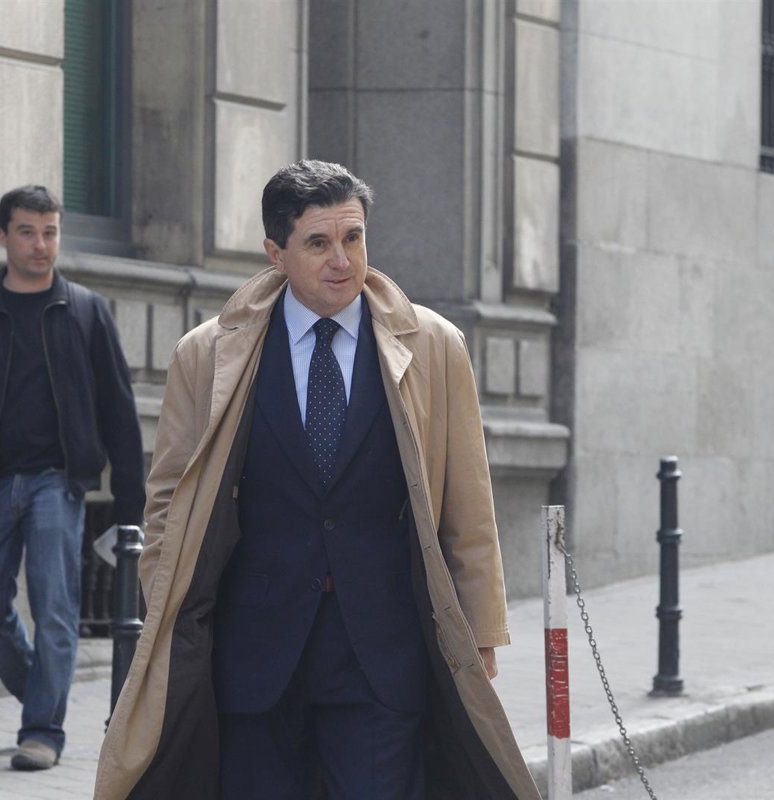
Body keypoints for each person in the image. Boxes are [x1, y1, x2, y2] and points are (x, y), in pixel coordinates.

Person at [94, 161, 539, 799]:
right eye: (319, 243)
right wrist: (165, 612)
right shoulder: (208, 353)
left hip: (382, 652)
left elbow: (469, 503)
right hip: (255, 654)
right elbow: (168, 499)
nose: (342, 260)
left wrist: (482, 630)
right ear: (275, 253)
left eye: (353, 238)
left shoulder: (433, 345)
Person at [0, 184, 145, 772]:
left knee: (55, 610)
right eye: (27, 232)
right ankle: (40, 690)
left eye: (50, 232)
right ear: (3, 236)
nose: (41, 244)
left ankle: (43, 730)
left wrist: (133, 506)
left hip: (57, 484)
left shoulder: (87, 312)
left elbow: (119, 412)